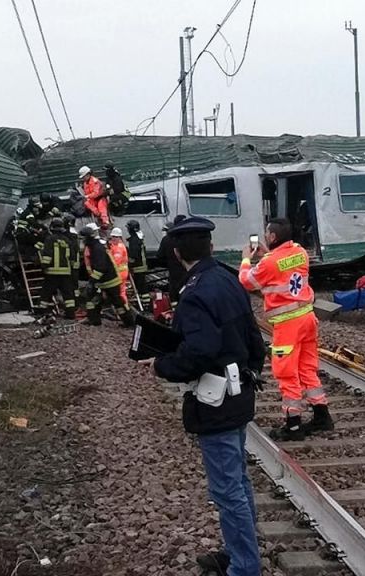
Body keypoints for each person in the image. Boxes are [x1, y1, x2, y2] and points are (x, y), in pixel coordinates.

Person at [141, 216, 265, 576]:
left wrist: (160, 365)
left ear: (177, 253)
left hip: (216, 400)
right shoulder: (228, 279)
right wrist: (250, 371)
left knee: (227, 490)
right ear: (210, 246)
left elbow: (199, 352)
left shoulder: (194, 294)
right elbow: (254, 337)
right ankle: (239, 552)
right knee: (238, 480)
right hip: (238, 392)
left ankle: (244, 566)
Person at [240, 218, 332, 440]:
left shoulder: (269, 262)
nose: (265, 236)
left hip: (288, 326)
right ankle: (322, 416)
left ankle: (293, 425)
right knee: (307, 368)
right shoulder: (300, 252)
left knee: (286, 373)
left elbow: (246, 281)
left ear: (272, 237)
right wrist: (268, 255)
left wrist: (246, 259)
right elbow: (282, 267)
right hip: (307, 319)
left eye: (267, 233)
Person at [80, 223, 134, 327]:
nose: (83, 240)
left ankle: (129, 322)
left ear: (89, 237)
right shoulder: (95, 246)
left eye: (84, 238)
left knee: (118, 302)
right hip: (105, 279)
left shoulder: (97, 248)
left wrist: (92, 281)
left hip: (109, 280)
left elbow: (101, 267)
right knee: (93, 299)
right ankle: (94, 320)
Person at [37, 218, 77, 319]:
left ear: (52, 227)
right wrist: (70, 269)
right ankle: (70, 314)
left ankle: (42, 313)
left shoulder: (50, 239)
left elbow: (47, 256)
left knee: (46, 293)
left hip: (52, 273)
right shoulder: (67, 240)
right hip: (66, 273)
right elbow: (72, 257)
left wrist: (43, 267)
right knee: (68, 295)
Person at [158, 215, 189, 307]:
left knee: (174, 291)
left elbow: (160, 256)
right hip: (186, 270)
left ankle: (175, 311)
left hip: (173, 271)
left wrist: (168, 262)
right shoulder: (186, 238)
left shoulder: (166, 239)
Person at [126, 220, 152, 310]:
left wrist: (128, 264)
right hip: (141, 265)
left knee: (141, 286)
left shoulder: (134, 240)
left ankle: (146, 304)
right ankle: (144, 302)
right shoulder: (138, 238)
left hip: (138, 266)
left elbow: (134, 254)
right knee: (141, 285)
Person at [108, 227, 130, 305]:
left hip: (120, 273)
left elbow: (116, 262)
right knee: (121, 291)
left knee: (119, 292)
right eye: (113, 236)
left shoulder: (119, 247)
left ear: (120, 238)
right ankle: (125, 306)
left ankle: (123, 306)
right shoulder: (116, 245)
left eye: (116, 237)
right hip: (120, 272)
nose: (114, 238)